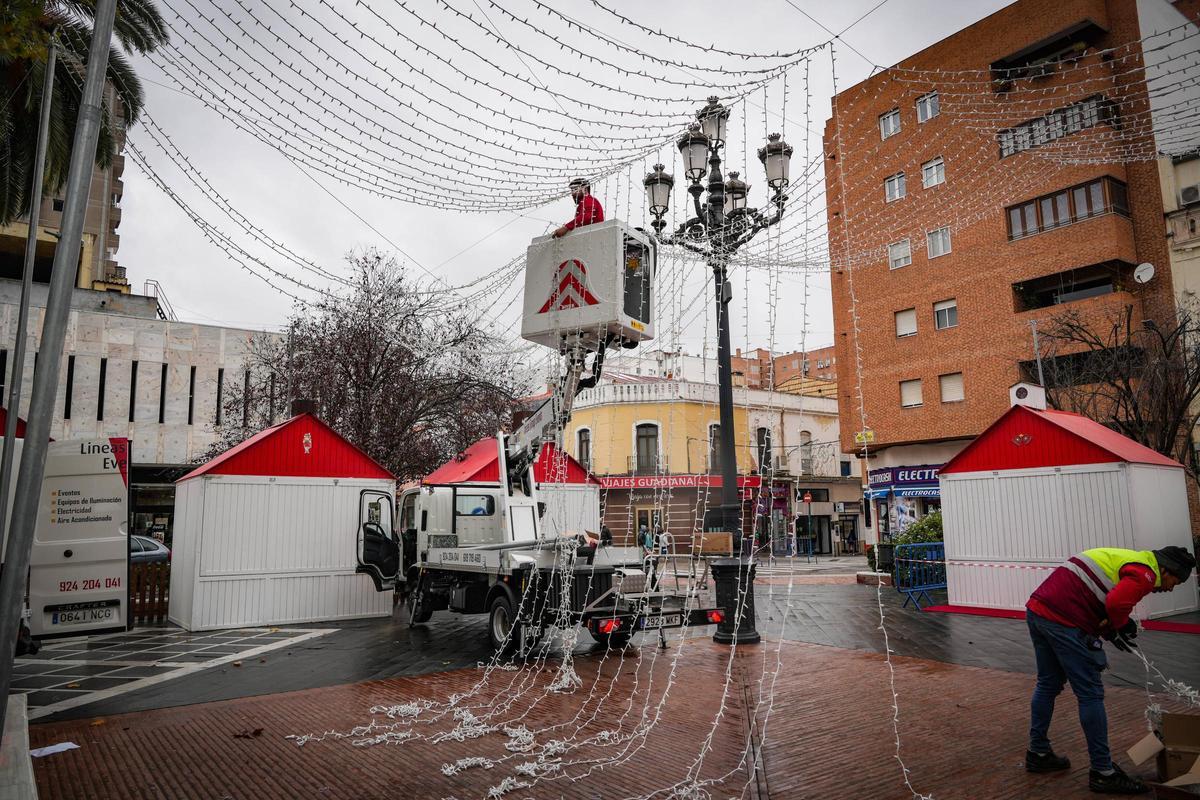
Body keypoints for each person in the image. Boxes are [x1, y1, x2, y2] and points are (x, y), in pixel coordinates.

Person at [1024, 545, 1196, 795]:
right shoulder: (1147, 574)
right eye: (1175, 581)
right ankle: (1103, 773)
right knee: (1090, 694)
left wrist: (1110, 628)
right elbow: (1116, 603)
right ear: (1167, 570)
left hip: (1039, 609)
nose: (1169, 588)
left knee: (1048, 684)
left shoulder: (1132, 559)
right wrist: (1120, 625)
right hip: (1064, 619)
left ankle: (1038, 752)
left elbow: (1103, 599)